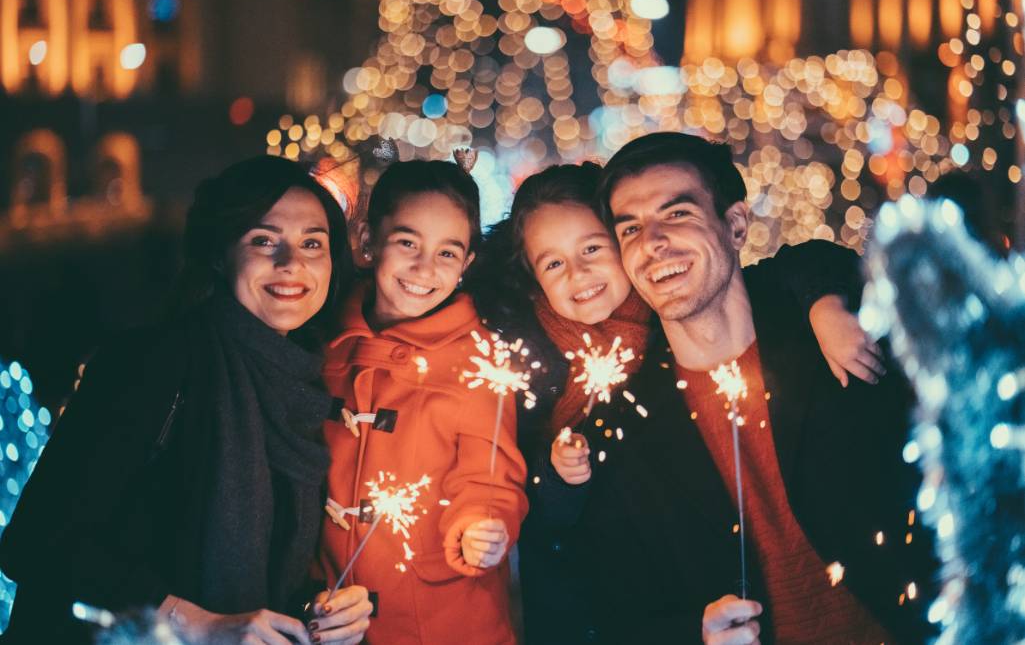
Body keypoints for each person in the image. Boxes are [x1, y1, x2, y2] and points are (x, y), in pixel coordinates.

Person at [469, 162, 889, 644]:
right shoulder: (532, 362)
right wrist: (559, 475)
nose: (579, 273)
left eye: (592, 248)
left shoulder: (675, 309)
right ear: (533, 277)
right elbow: (568, 543)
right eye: (553, 263)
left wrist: (824, 303)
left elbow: (792, 266)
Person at [578, 132, 938, 643]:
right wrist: (693, 634)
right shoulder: (624, 426)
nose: (653, 242)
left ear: (736, 225)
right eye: (631, 228)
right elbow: (616, 615)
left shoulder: (835, 332)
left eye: (677, 214)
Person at [0, 156, 372, 645]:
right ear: (220, 254)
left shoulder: (302, 385)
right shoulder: (154, 363)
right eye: (264, 240)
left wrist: (319, 608)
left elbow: (261, 568)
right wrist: (190, 620)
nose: (292, 263)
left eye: (312, 243)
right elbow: (34, 542)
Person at [317, 159, 528, 645]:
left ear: (467, 264)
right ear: (368, 242)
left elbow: (490, 473)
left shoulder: (479, 359)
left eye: (447, 253)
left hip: (441, 619)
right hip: (332, 609)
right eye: (407, 243)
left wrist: (482, 524)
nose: (424, 268)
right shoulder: (325, 341)